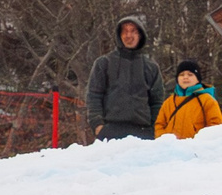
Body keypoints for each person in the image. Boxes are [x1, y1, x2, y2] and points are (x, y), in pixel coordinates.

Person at [85, 15, 161, 143]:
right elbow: (94, 95)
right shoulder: (104, 63)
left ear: (140, 35)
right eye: (125, 31)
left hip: (143, 133)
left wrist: (155, 129)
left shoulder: (151, 67)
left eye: (133, 31)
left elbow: (157, 102)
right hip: (110, 132)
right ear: (119, 35)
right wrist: (98, 125)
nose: (128, 36)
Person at [155, 61, 220, 140]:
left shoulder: (207, 100)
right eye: (181, 75)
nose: (185, 77)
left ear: (197, 79)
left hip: (196, 149)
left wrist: (202, 143)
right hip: (170, 149)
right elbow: (159, 125)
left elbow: (216, 127)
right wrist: (164, 140)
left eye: (190, 74)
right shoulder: (169, 101)